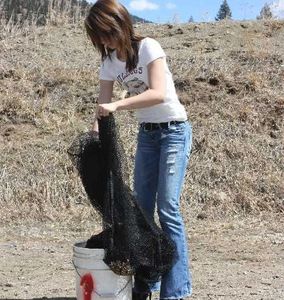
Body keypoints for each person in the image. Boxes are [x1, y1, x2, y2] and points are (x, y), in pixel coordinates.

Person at [85, 1, 193, 299]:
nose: (104, 42)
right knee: (142, 213)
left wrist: (118, 105)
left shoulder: (148, 48)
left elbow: (158, 93)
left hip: (174, 131)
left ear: (119, 24)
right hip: (147, 136)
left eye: (106, 33)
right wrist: (94, 136)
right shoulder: (108, 62)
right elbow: (102, 106)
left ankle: (176, 292)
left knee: (167, 208)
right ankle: (146, 284)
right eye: (98, 38)